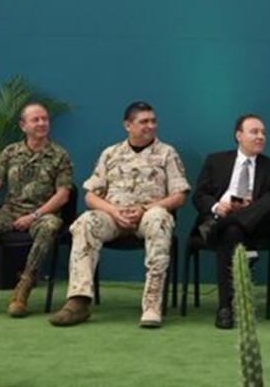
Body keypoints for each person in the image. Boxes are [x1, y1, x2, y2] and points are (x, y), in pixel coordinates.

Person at [49, 101, 188, 328]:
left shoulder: (167, 153)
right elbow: (90, 197)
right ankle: (78, 301)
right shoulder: (110, 153)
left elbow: (179, 196)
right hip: (113, 217)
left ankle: (152, 303)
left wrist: (146, 208)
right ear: (127, 125)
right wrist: (113, 211)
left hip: (147, 217)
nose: (150, 126)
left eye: (153, 121)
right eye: (144, 122)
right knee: (84, 222)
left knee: (160, 218)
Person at [0, 102, 73, 318]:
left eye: (45, 119)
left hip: (42, 214)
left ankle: (23, 288)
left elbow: (63, 195)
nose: (42, 123)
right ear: (23, 125)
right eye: (36, 119)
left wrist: (34, 216)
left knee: (50, 226)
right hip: (10, 211)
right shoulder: (10, 152)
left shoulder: (59, 155)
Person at [192, 114, 270, 329]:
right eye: (254, 132)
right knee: (232, 232)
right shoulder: (215, 161)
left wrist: (249, 210)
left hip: (257, 228)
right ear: (239, 135)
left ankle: (232, 221)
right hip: (222, 221)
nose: (261, 136)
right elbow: (199, 196)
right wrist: (219, 207)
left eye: (263, 133)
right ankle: (225, 307)